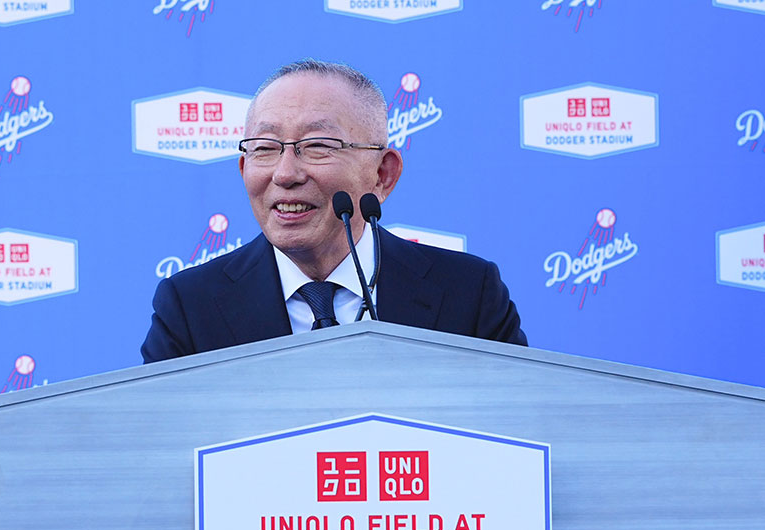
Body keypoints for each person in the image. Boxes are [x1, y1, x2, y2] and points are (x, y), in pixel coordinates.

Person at [141, 59, 526, 363]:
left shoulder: (468, 294)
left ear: (382, 174)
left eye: (317, 146)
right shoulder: (190, 307)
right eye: (265, 148)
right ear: (244, 169)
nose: (285, 174)